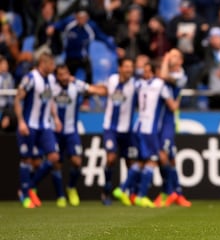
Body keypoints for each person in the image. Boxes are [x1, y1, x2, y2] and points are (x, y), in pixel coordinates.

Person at [84, 58, 138, 206]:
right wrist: (88, 88)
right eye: (126, 66)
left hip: (127, 129)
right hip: (111, 128)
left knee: (131, 162)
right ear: (120, 68)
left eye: (131, 67)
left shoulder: (135, 84)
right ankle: (106, 191)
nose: (129, 69)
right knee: (111, 159)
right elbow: (104, 89)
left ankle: (129, 192)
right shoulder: (113, 79)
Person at [46, 7, 119, 111]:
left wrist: (115, 48)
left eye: (84, 17)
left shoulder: (90, 27)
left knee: (89, 74)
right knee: (63, 75)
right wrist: (52, 27)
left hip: (83, 57)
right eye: (80, 17)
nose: (82, 20)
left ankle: (86, 100)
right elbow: (58, 25)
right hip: (69, 57)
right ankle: (60, 95)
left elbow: (103, 37)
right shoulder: (69, 23)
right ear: (76, 17)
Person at [14, 52, 62, 208]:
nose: (53, 68)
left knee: (54, 157)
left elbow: (50, 101)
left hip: (45, 126)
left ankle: (28, 188)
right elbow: (17, 99)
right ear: (43, 63)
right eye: (51, 64)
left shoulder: (52, 79)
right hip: (29, 125)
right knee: (27, 160)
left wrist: (55, 118)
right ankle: (26, 195)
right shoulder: (31, 78)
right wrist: (21, 122)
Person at [132, 62, 179, 208]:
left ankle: (169, 191)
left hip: (158, 128)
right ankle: (165, 192)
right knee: (156, 159)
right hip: (153, 128)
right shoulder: (159, 84)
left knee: (162, 158)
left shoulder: (177, 76)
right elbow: (173, 106)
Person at [153, 48, 191, 207]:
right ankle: (176, 192)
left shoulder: (180, 75)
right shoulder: (166, 76)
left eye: (174, 55)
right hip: (158, 121)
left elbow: (162, 75)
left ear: (180, 60)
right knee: (171, 158)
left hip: (168, 121)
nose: (170, 57)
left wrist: (165, 59)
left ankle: (169, 192)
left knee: (165, 156)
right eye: (169, 55)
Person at [52, 64, 93, 207]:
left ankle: (71, 187)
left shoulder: (76, 85)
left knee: (77, 162)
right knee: (56, 163)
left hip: (71, 131)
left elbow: (93, 89)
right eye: (60, 74)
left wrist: (105, 89)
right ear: (57, 76)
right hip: (54, 131)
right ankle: (60, 196)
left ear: (69, 74)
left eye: (66, 74)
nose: (63, 77)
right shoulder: (51, 86)